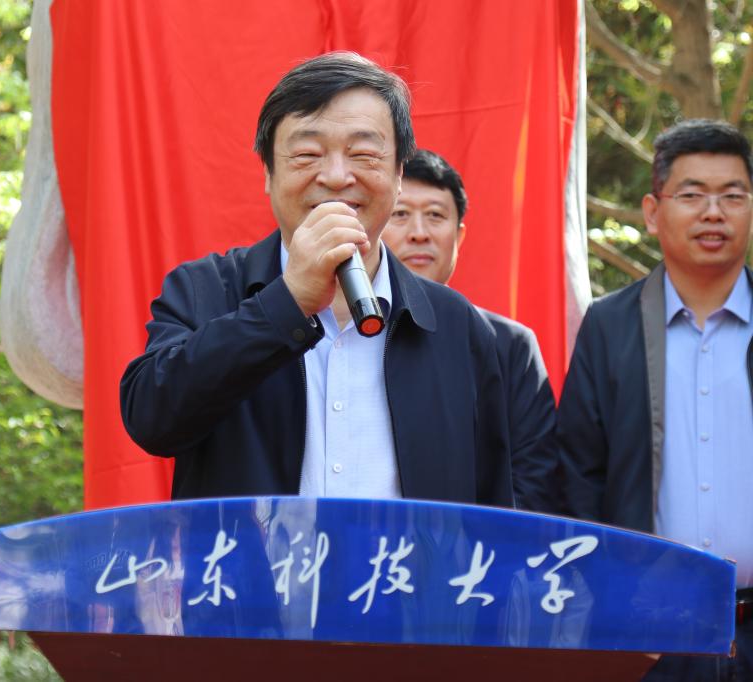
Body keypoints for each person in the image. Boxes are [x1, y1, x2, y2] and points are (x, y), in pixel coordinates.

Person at [120, 52, 512, 505]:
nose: (336, 176)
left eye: (363, 154)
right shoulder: (204, 289)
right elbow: (152, 420)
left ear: (399, 174)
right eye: (307, 154)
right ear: (268, 174)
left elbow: (491, 507)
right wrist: (286, 304)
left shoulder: (457, 326)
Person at [558, 119, 752, 680]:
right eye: (692, 195)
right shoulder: (609, 327)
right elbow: (578, 476)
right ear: (652, 211)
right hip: (647, 629)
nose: (713, 213)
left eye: (732, 196)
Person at [381, 150, 558, 512]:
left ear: (459, 235)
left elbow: (534, 480)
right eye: (400, 214)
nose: (419, 233)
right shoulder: (346, 333)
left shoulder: (509, 346)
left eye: (435, 215)